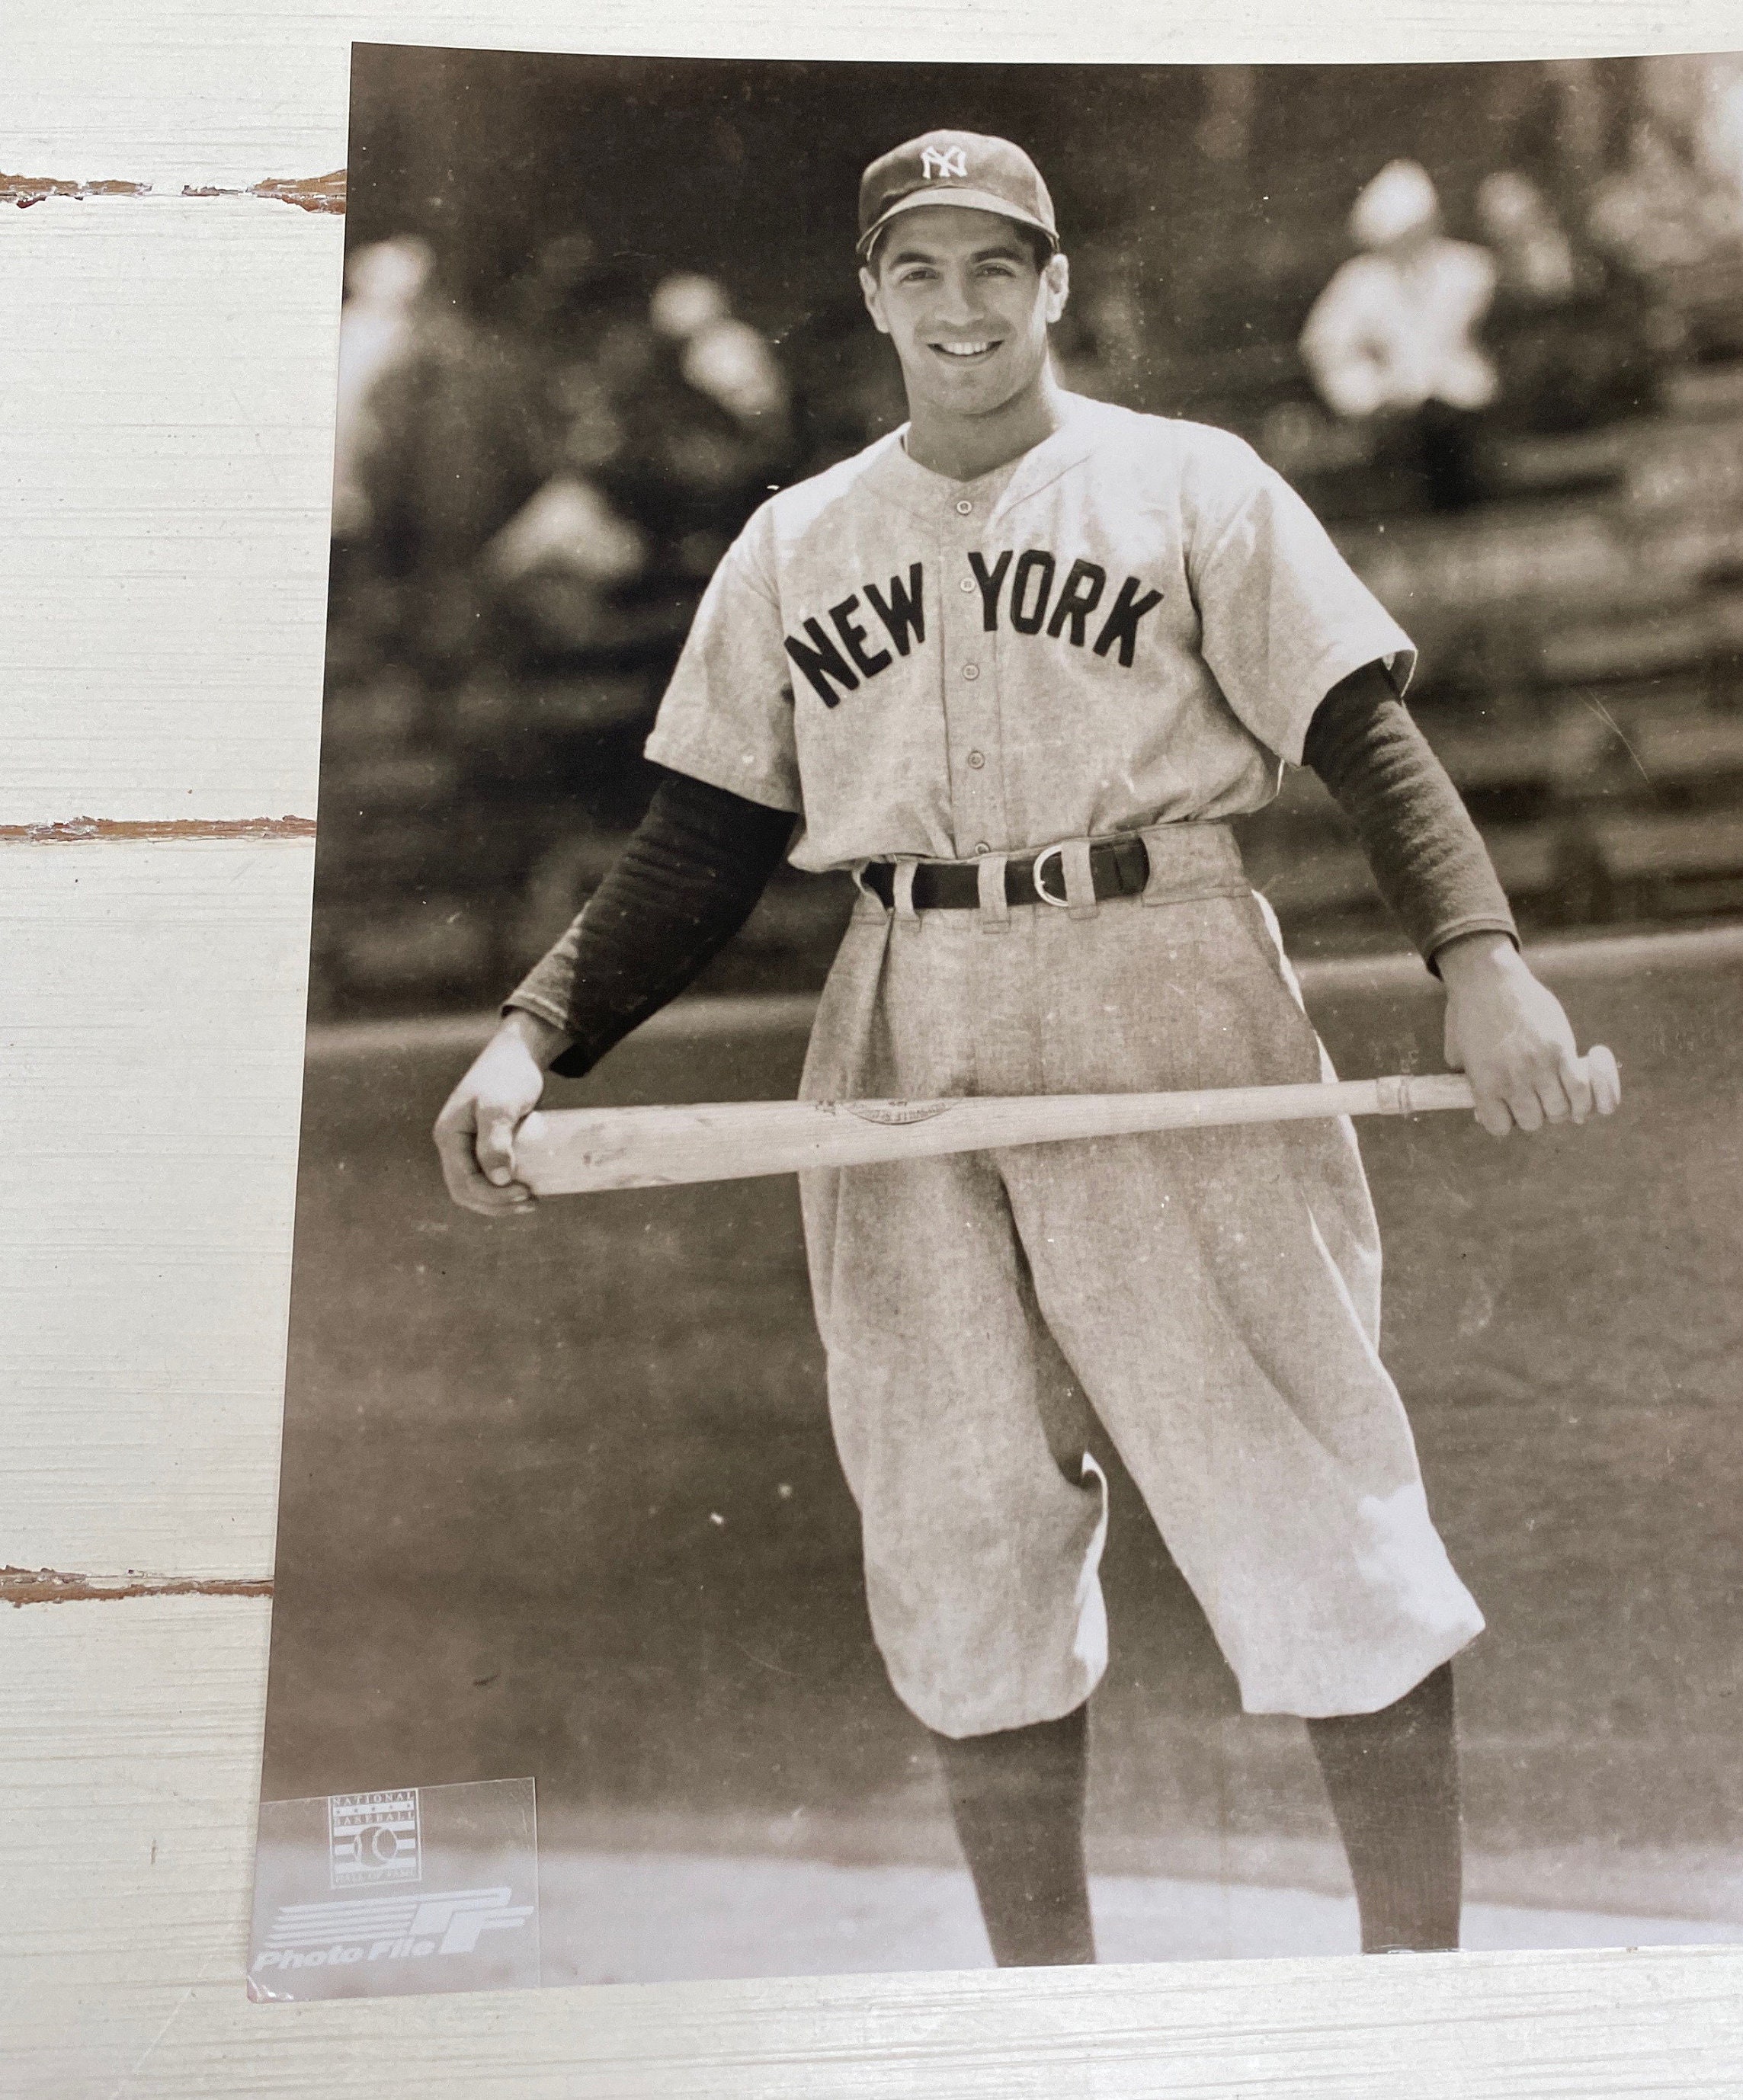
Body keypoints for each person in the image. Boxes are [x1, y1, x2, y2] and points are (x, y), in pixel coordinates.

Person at [434, 130, 1613, 1967]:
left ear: (1054, 284)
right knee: (951, 1504)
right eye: (923, 268)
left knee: (1295, 1469)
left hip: (1162, 970)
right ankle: (1039, 2009)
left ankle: (1418, 1993)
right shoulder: (791, 541)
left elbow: (1360, 732)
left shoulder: (1184, 481)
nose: (963, 304)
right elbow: (700, 842)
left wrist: (1481, 959)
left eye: (999, 265)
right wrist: (532, 1032)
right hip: (903, 997)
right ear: (874, 294)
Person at [1298, 159, 1501, 512]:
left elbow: (1499, 335)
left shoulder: (1472, 268)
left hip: (1470, 405)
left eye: (1419, 230)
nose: (1413, 244)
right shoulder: (1361, 281)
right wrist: (1366, 394)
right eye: (1401, 237)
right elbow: (1324, 346)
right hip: (1399, 410)